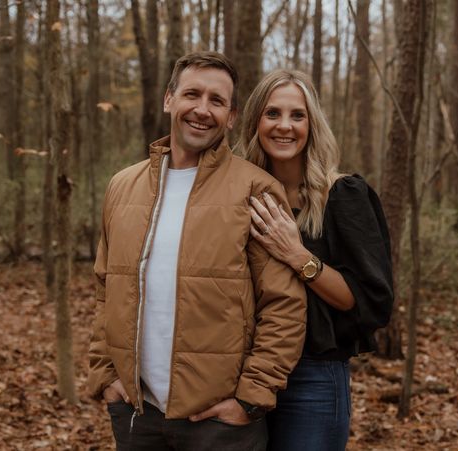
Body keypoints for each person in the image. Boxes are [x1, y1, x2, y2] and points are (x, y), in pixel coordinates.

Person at [87, 53, 307, 451]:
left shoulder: (255, 189)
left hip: (221, 425)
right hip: (137, 415)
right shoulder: (122, 187)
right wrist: (106, 376)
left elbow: (284, 305)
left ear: (232, 116)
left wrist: (249, 399)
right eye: (192, 94)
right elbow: (105, 288)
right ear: (169, 99)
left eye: (217, 100)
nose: (202, 110)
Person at [236, 69, 394, 451]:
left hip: (313, 379)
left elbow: (366, 301)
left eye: (297, 115)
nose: (284, 126)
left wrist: (297, 255)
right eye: (272, 113)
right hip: (239, 371)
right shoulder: (240, 195)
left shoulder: (342, 195)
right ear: (255, 121)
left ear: (312, 125)